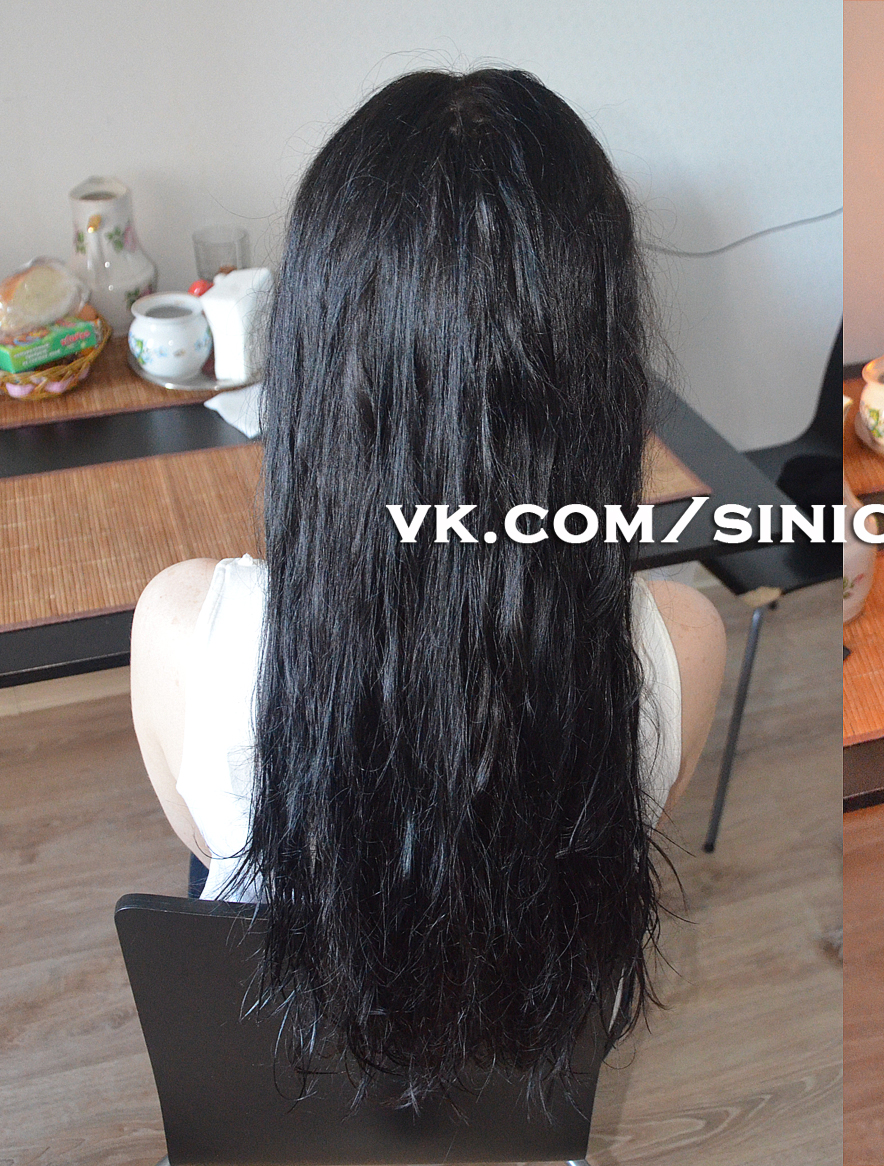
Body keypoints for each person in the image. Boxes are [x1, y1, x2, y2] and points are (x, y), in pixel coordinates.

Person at [129, 68, 726, 1108]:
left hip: (286, 1075)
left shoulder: (185, 626)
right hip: (525, 1076)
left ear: (315, 351)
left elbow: (203, 844)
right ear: (598, 364)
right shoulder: (683, 640)